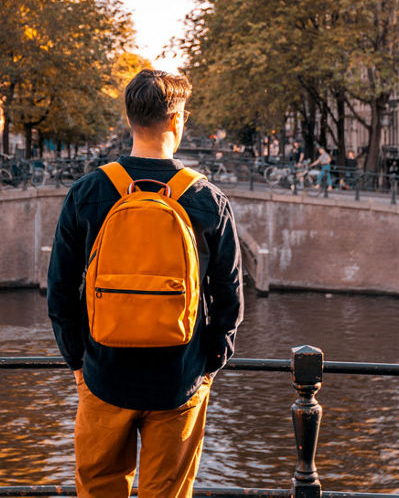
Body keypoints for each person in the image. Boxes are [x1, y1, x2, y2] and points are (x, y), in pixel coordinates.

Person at [47, 69, 243, 498]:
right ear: (177, 121)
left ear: (129, 119)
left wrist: (79, 363)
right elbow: (229, 299)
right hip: (179, 379)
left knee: (99, 490)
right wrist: (208, 365)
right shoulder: (208, 200)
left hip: (103, 375)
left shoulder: (88, 192)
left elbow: (59, 291)